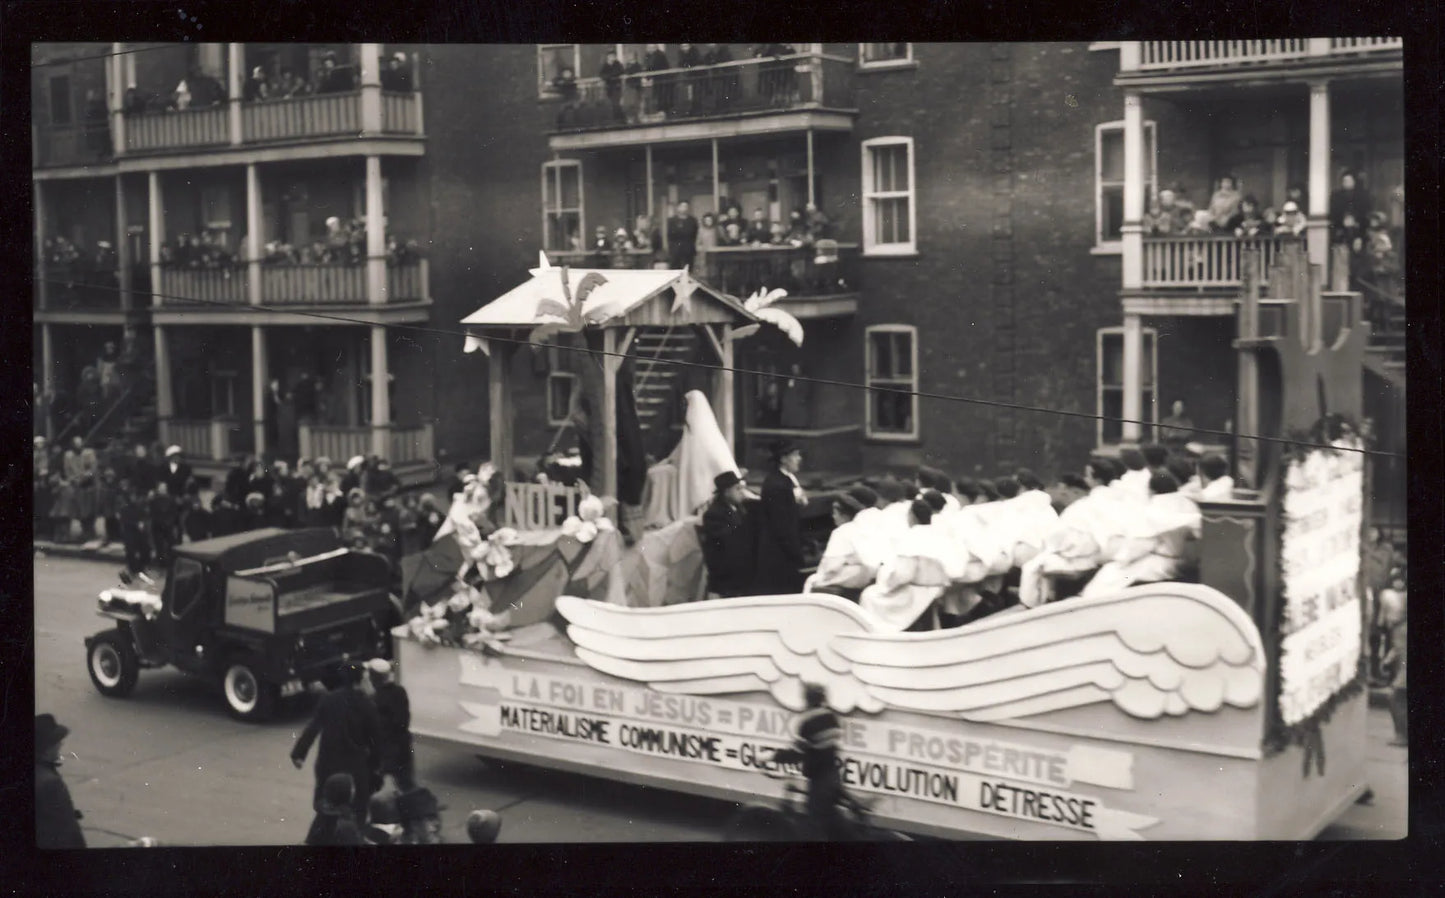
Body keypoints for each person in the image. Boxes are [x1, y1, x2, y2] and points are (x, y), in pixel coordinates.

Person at [291, 662, 383, 824]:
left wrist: (299, 753)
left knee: (327, 809)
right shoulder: (367, 705)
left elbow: (313, 727)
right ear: (359, 681)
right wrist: (375, 767)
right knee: (356, 813)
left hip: (328, 765)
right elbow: (376, 740)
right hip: (354, 770)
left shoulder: (329, 699)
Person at [770, 683, 858, 841]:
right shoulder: (831, 718)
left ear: (807, 700)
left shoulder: (808, 722)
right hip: (833, 778)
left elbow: (796, 752)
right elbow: (819, 748)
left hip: (820, 783)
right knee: (833, 824)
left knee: (812, 829)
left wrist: (771, 757)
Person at [755, 441, 806, 595]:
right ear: (783, 459)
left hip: (784, 548)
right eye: (795, 455)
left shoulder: (786, 480)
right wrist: (796, 553)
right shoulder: (776, 485)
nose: (799, 459)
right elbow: (781, 524)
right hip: (778, 552)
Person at [700, 470, 755, 598]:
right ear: (726, 492)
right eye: (737, 489)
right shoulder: (714, 514)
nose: (742, 492)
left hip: (739, 564)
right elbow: (728, 541)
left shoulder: (737, 508)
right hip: (726, 572)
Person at [35, 714, 86, 849]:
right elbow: (67, 829)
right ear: (46, 749)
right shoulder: (50, 784)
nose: (60, 744)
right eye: (56, 742)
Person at [365, 658, 416, 792]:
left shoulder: (375, 699)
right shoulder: (400, 691)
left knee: (376, 787)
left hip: (385, 750)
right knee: (406, 785)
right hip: (404, 746)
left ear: (374, 677)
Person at [304, 773, 366, 846]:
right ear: (344, 792)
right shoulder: (346, 824)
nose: (354, 791)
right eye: (352, 788)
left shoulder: (322, 814)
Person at [666, 200, 700, 270]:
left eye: (686, 206)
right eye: (682, 206)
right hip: (675, 249)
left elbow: (695, 234)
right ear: (678, 208)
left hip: (688, 249)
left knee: (688, 269)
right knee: (675, 269)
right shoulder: (672, 220)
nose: (684, 208)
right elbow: (669, 235)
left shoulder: (692, 220)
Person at [599, 50, 625, 122]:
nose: (612, 58)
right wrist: (608, 76)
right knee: (612, 104)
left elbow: (621, 71)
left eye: (613, 56)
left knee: (616, 103)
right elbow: (601, 75)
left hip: (617, 86)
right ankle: (617, 119)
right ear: (608, 57)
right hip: (609, 88)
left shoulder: (617, 64)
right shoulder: (605, 65)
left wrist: (610, 76)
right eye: (610, 56)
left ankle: (620, 119)